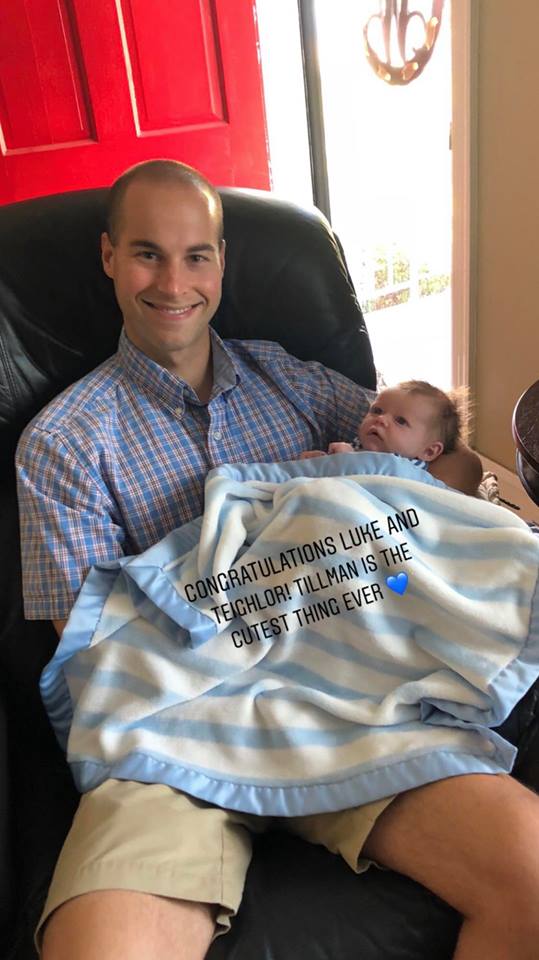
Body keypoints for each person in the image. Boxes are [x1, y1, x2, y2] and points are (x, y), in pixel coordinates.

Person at [15, 159, 539, 960]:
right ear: (109, 257)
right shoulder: (62, 442)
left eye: (196, 256)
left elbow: (421, 470)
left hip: (345, 704)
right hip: (172, 731)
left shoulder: (288, 378)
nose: (174, 283)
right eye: (148, 254)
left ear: (222, 262)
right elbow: (92, 645)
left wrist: (438, 497)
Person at [301, 380, 483, 495]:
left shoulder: (411, 469)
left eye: (401, 421)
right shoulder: (356, 445)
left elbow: (380, 477)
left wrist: (348, 461)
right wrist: (318, 463)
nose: (381, 419)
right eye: (377, 410)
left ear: (428, 451)